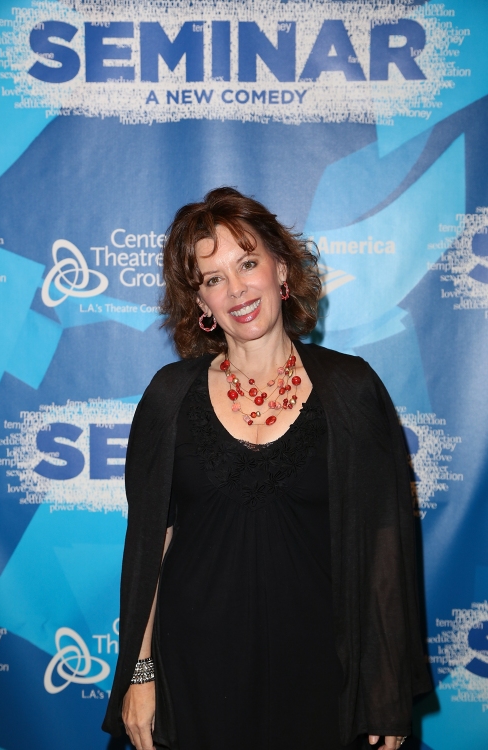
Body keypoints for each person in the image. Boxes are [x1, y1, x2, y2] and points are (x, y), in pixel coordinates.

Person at [102, 187, 431, 750]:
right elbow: (152, 545)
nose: (236, 289)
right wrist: (141, 672)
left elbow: (384, 544)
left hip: (323, 674)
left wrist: (384, 690)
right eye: (213, 278)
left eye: (248, 263)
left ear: (281, 268)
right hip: (193, 673)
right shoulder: (167, 398)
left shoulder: (352, 390)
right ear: (201, 305)